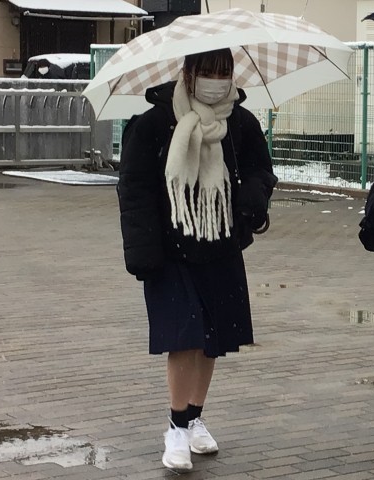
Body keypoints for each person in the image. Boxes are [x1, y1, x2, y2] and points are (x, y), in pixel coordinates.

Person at [117, 48, 277, 472]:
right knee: (183, 337)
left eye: (223, 73)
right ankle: (176, 426)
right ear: (188, 74)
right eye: (207, 72)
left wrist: (253, 198)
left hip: (220, 246)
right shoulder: (153, 123)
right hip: (171, 251)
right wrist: (142, 250)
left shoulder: (240, 123)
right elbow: (134, 189)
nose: (216, 82)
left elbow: (261, 170)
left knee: (212, 339)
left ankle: (194, 417)